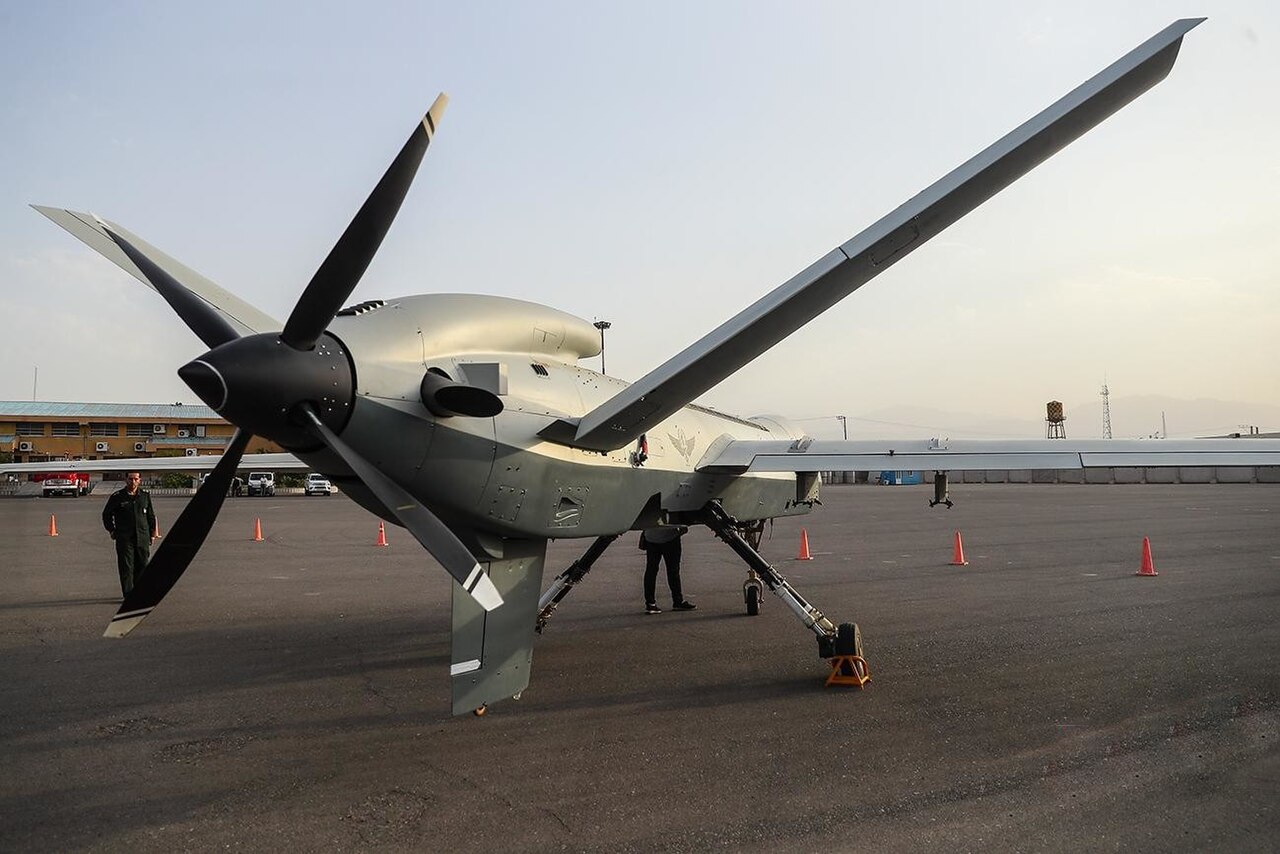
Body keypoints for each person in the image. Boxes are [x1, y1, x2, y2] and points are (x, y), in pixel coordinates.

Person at [102, 472, 158, 598]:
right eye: (130, 479)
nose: (133, 482)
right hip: (125, 538)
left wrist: (152, 534)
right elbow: (106, 514)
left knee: (143, 565)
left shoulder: (144, 496)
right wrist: (112, 530)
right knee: (127, 567)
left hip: (142, 537)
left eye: (135, 479)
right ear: (126, 480)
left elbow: (150, 516)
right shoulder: (117, 497)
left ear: (140, 480)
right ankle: (128, 595)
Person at [641, 525, 696, 614]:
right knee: (673, 571)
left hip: (651, 537)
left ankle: (650, 603)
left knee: (651, 571)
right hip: (670, 537)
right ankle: (677, 601)